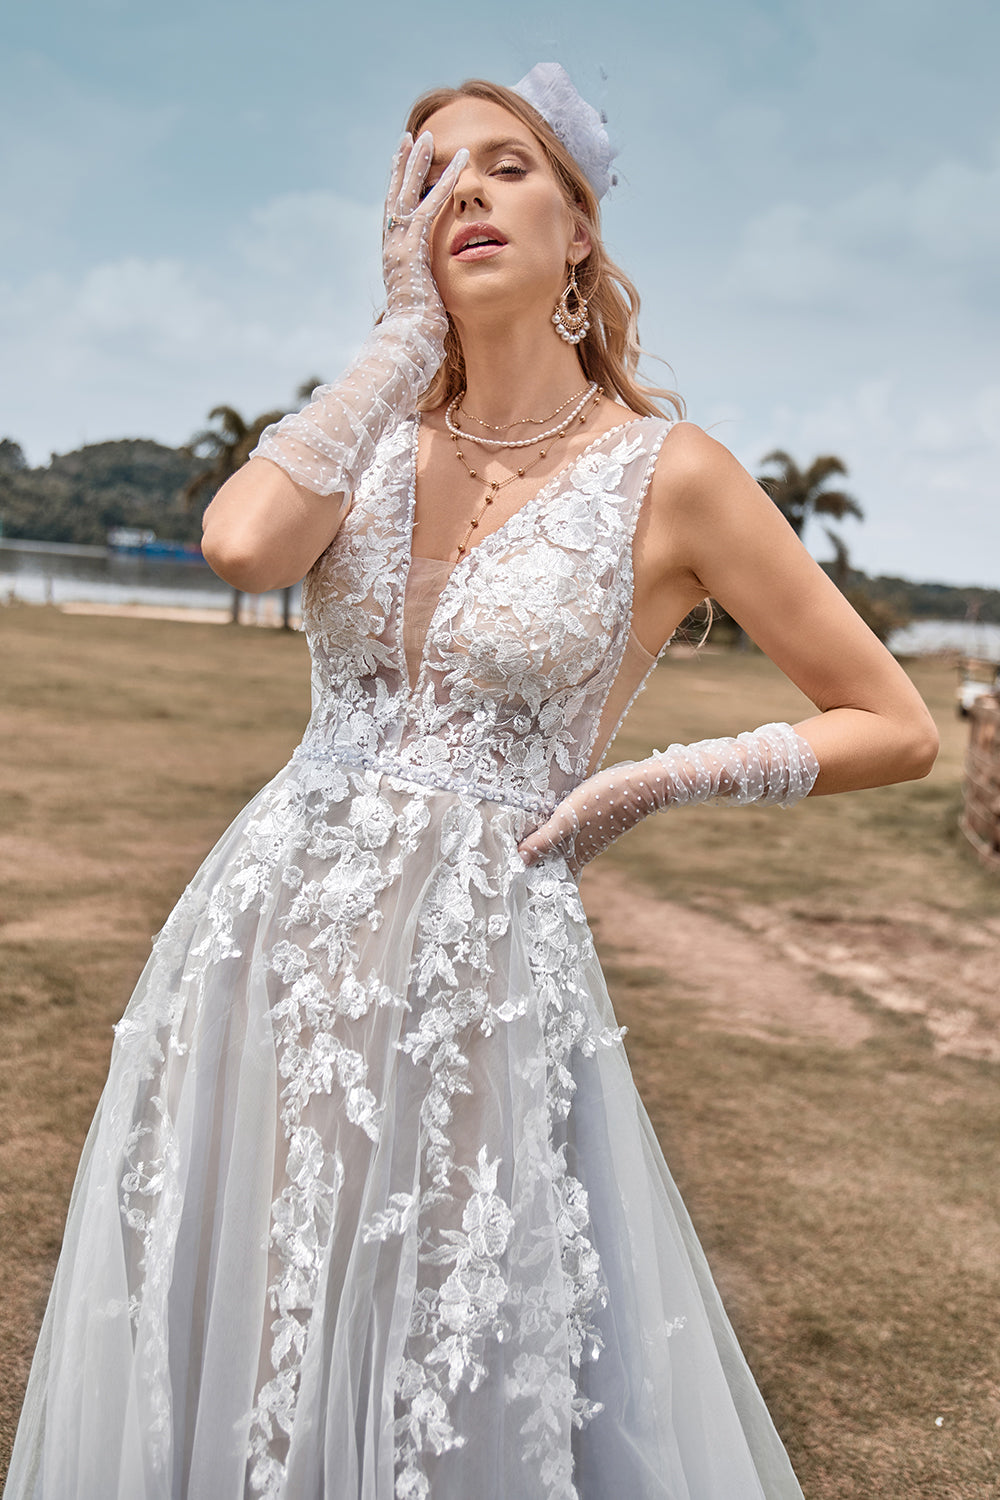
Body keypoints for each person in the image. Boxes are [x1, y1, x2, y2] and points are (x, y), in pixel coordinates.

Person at [4, 64, 938, 1500]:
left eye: (507, 166)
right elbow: (244, 547)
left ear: (581, 233)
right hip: (262, 949)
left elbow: (894, 719)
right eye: (431, 174)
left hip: (475, 969)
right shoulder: (363, 435)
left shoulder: (670, 475)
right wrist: (396, 336)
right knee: (249, 1328)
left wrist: (664, 778)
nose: (464, 194)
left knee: (441, 1347)